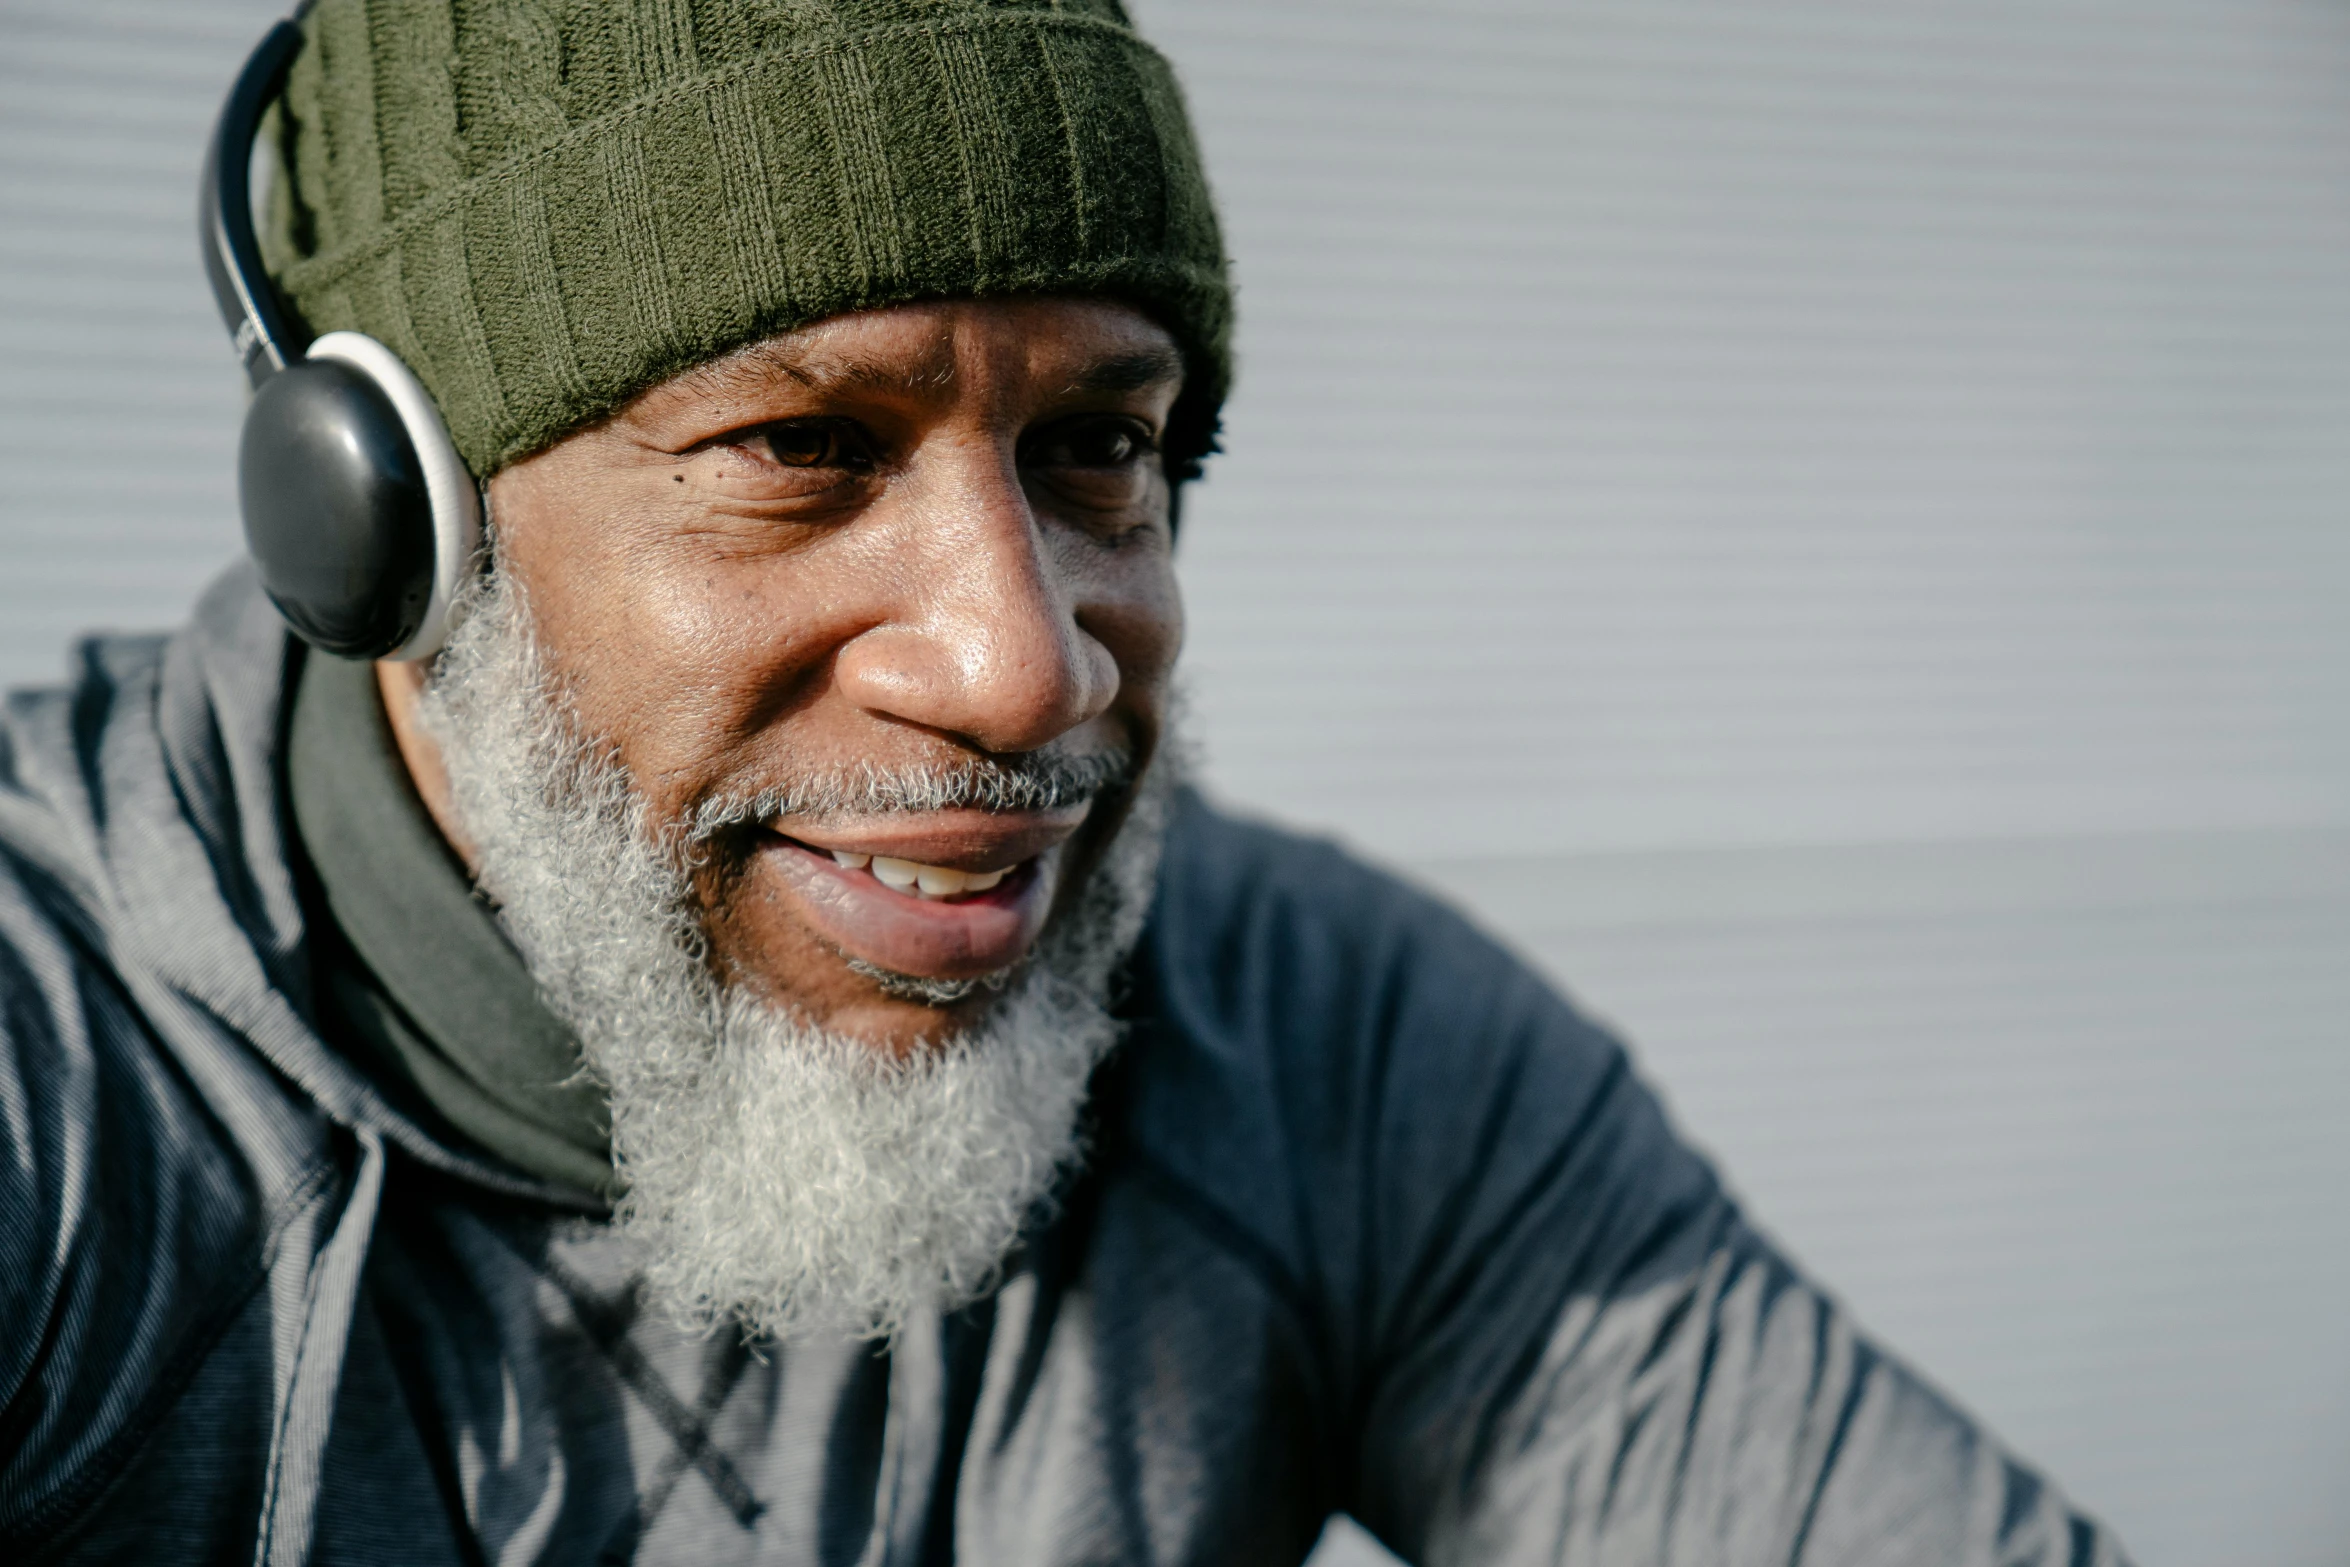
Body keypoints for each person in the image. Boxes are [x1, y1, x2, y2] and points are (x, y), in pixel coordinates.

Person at [0, 2, 2129, 1563]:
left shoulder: (1330, 1049)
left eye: (1096, 448)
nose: (1026, 670)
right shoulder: (55, 1086)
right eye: (800, 449)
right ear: (380, 523)